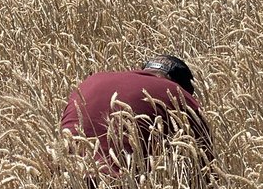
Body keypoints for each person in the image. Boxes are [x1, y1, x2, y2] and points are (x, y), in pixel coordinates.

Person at [61, 54, 211, 177]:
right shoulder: (177, 93)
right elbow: (205, 166)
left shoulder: (93, 80)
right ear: (183, 85)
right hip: (120, 188)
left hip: (62, 176)